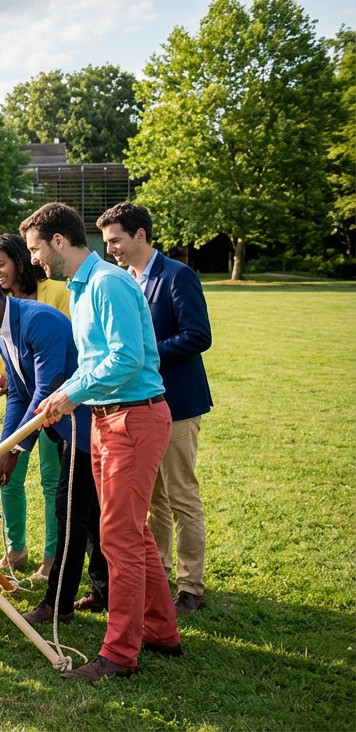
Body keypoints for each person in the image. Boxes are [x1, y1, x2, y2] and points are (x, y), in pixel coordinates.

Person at [23, 202, 182, 682]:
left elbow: (127, 359)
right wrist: (66, 392)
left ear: (56, 241)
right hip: (105, 419)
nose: (33, 261)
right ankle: (160, 631)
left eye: (34, 249)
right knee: (132, 535)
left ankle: (118, 656)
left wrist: (70, 393)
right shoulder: (82, 287)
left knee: (118, 539)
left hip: (134, 420)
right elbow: (95, 362)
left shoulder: (109, 283)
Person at [0, 270, 105, 628]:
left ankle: (57, 604)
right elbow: (20, 394)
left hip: (83, 427)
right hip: (60, 427)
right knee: (90, 512)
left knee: (71, 514)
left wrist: (13, 452)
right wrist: (5, 446)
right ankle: (104, 589)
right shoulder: (2, 333)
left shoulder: (40, 321)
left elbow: (46, 390)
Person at [97, 202, 213, 616]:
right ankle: (158, 575)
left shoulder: (178, 276)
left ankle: (190, 586)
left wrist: (147, 354)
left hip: (178, 402)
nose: (111, 249)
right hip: (141, 407)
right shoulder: (125, 279)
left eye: (116, 240)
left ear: (140, 235)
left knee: (181, 494)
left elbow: (198, 336)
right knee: (154, 500)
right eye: (108, 242)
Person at [0, 233, 72, 579]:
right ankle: (15, 549)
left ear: (20, 261)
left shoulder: (57, 295)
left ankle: (52, 559)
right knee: (9, 475)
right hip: (22, 397)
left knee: (51, 480)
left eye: (0, 264)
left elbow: (66, 346)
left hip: (56, 403)